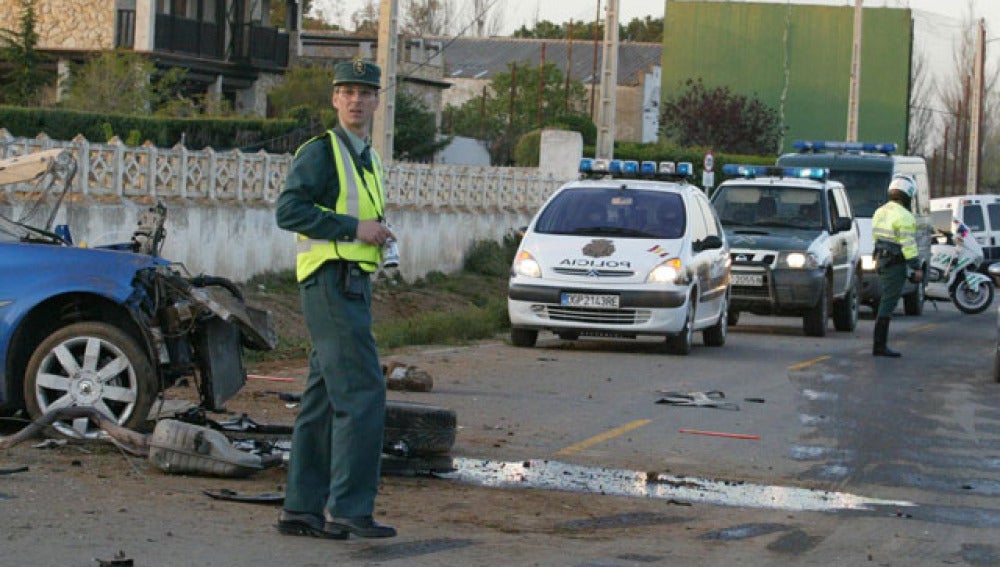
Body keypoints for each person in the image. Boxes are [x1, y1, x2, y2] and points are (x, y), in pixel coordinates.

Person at [274, 59, 397, 539]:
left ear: (375, 101)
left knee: (323, 399)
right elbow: (289, 210)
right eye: (346, 91)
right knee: (364, 394)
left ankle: (301, 509)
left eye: (364, 92)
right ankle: (348, 508)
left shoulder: (369, 157)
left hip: (352, 284)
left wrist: (374, 235)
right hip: (329, 282)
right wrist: (354, 228)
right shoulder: (322, 151)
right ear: (334, 98)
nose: (355, 100)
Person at [871, 174, 923, 357]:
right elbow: (908, 245)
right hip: (894, 264)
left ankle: (879, 344)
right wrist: (916, 267)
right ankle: (879, 345)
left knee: (886, 301)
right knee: (888, 303)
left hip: (881, 261)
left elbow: (877, 238)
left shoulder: (880, 211)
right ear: (908, 196)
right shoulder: (905, 216)